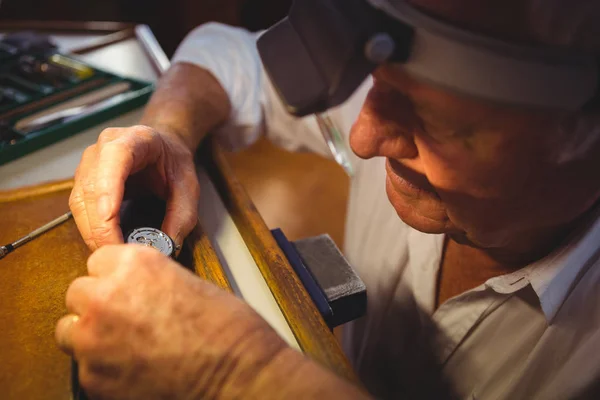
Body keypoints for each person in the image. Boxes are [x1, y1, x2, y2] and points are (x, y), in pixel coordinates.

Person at [55, 0, 600, 398]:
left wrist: (242, 376)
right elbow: (226, 57)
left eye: (438, 122)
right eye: (377, 85)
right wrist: (169, 133)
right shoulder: (402, 81)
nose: (363, 139)